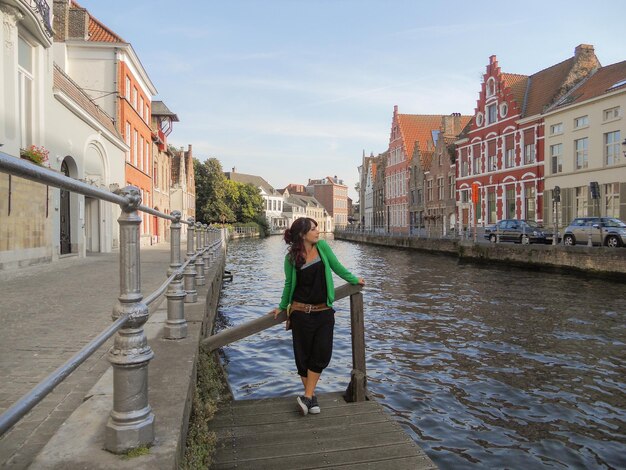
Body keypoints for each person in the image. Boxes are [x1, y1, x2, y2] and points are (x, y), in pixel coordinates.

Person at [272, 217, 365, 416]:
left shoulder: (322, 247)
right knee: (303, 357)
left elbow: (337, 267)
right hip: (300, 313)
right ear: (302, 234)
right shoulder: (291, 259)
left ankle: (307, 396)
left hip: (324, 312)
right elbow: (289, 285)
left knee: (322, 354)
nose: (318, 232)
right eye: (313, 229)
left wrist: (354, 279)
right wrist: (281, 306)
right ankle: (310, 397)